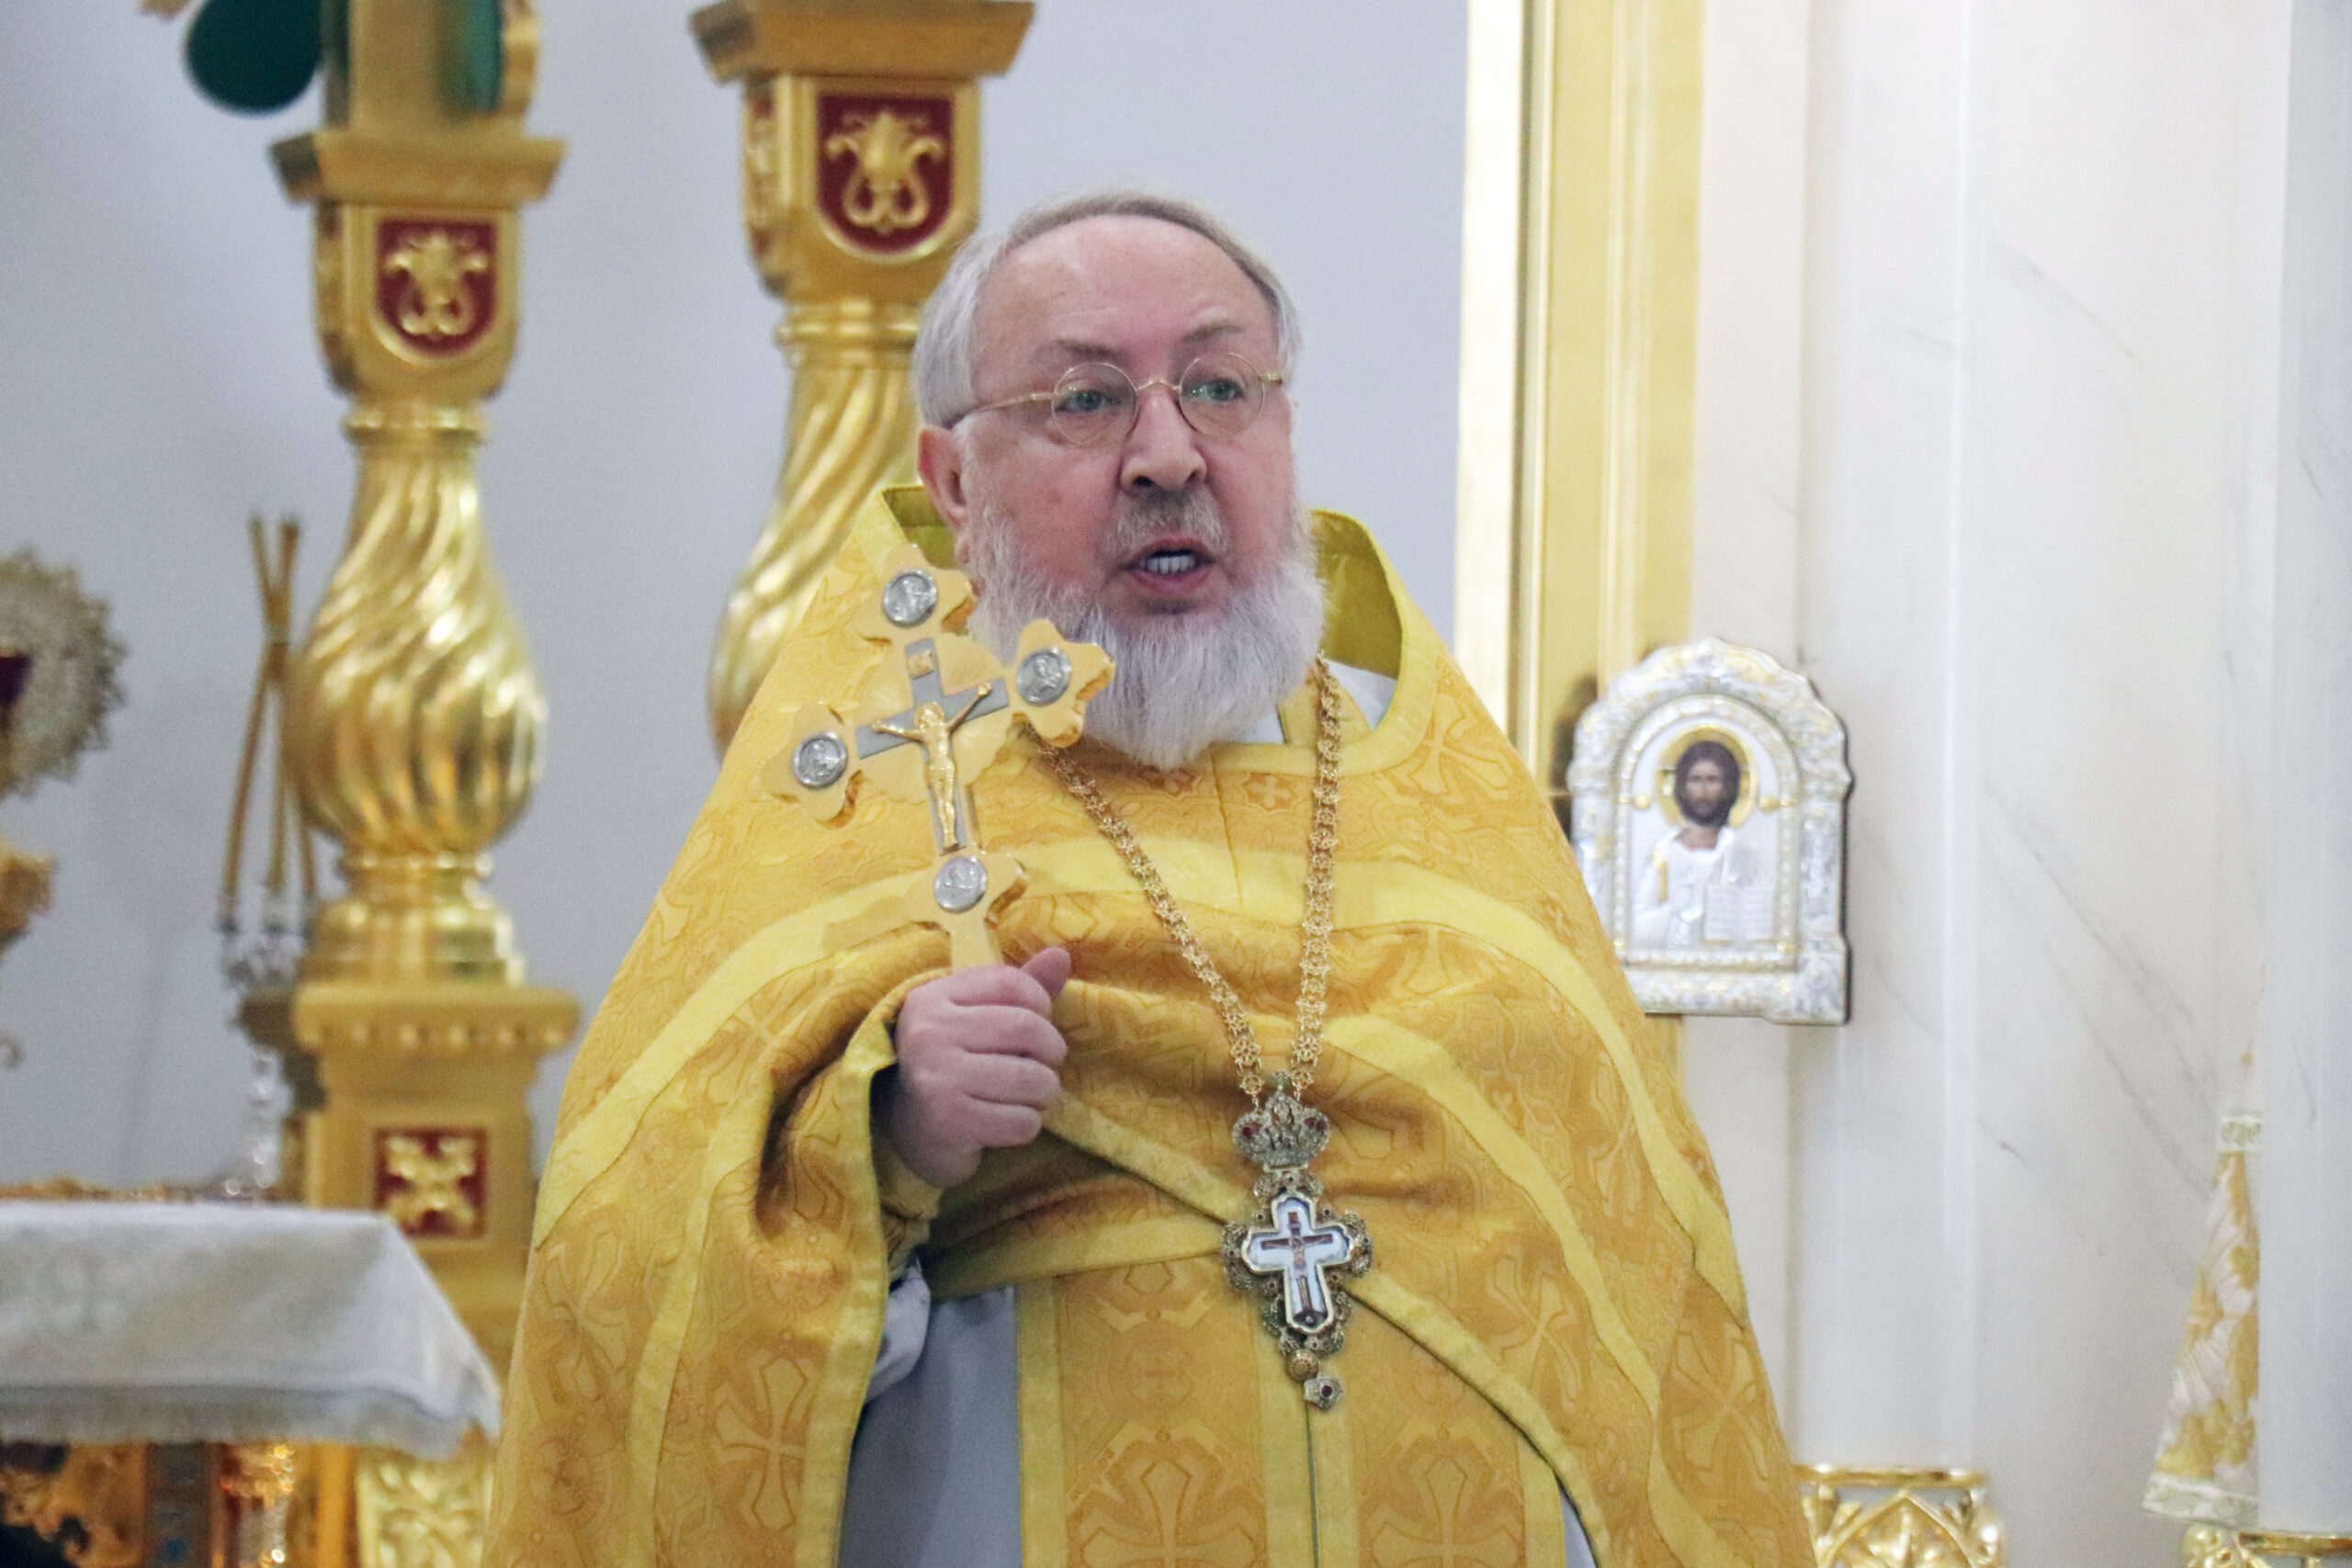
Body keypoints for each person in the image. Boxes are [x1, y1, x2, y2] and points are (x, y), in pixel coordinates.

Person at [489, 190, 1810, 1568]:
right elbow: (635, 1273)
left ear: (1285, 431)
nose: (1168, 455)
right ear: (953, 483)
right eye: (1085, 401)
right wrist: (884, 1136)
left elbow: (1632, 1283)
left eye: (1222, 387)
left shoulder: (1442, 798)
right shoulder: (875, 797)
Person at [1632, 740, 1771, 950]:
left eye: (1712, 780)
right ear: (1682, 787)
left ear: (1728, 787)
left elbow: (1760, 928)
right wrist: (1676, 909)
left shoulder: (1744, 856)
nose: (1703, 791)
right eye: (1695, 780)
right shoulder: (1664, 855)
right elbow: (1639, 928)